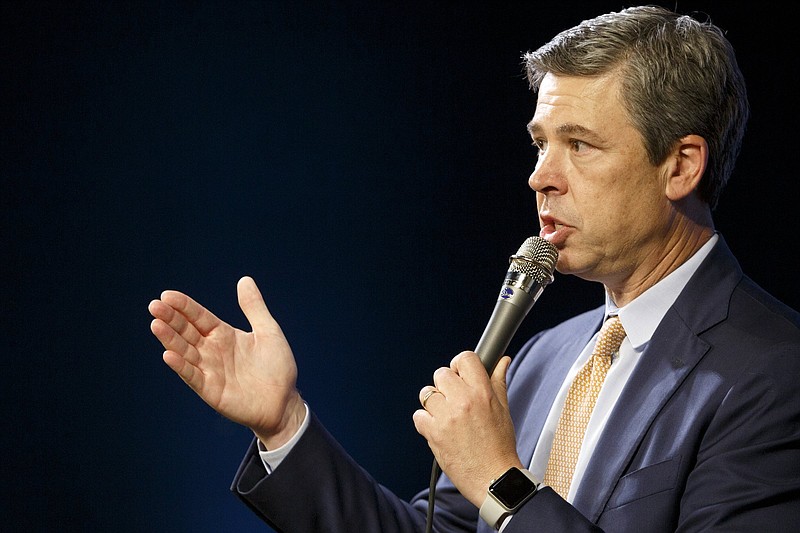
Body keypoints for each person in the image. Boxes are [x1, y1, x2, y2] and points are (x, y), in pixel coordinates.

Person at [148, 5, 800, 531]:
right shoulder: (545, 357)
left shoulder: (774, 370)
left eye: (580, 144)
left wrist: (501, 480)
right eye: (542, 144)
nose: (540, 176)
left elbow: (503, 490)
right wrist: (286, 424)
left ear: (681, 166)